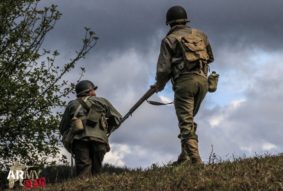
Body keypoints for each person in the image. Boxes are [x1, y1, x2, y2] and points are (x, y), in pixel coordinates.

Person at [152, 5, 214, 164]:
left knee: (185, 121)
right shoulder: (201, 35)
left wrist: (159, 85)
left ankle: (195, 160)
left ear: (169, 23)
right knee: (189, 118)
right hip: (203, 82)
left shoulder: (169, 40)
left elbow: (163, 69)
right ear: (185, 20)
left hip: (185, 83)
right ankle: (184, 156)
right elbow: (210, 57)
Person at [59, 80, 122, 177]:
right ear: (89, 91)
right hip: (99, 139)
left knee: (83, 170)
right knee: (97, 170)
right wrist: (106, 129)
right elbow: (117, 119)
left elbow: (63, 127)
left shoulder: (72, 104)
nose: (95, 92)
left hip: (79, 140)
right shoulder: (101, 101)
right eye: (93, 90)